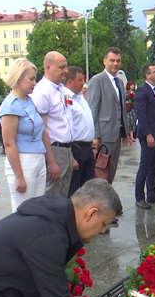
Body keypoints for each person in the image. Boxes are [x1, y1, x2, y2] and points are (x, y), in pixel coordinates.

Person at [0, 58, 47, 212]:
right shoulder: (10, 105)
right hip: (22, 160)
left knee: (37, 207)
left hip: (38, 156)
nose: (35, 83)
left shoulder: (29, 100)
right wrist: (19, 176)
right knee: (23, 210)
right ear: (19, 78)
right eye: (31, 79)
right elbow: (9, 143)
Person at [32, 51, 75, 197]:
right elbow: (41, 128)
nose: (66, 71)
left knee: (63, 194)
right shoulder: (42, 91)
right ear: (48, 67)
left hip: (66, 149)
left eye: (66, 67)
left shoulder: (61, 89)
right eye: (61, 67)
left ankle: (60, 220)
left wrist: (71, 155)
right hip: (54, 149)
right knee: (52, 194)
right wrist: (51, 161)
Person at [87, 47, 132, 183]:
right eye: (112, 60)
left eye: (118, 61)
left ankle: (106, 198)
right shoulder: (97, 80)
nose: (115, 64)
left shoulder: (119, 82)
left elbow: (122, 109)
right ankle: (99, 201)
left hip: (116, 133)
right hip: (104, 134)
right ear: (104, 61)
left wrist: (126, 132)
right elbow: (92, 109)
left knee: (111, 171)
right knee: (101, 171)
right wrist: (95, 135)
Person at [134, 64, 155, 209]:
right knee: (145, 166)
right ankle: (139, 197)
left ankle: (151, 194)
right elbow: (141, 114)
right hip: (148, 134)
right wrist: (148, 134)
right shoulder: (142, 91)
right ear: (147, 75)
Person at [65, 66, 96, 197]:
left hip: (87, 147)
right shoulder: (65, 98)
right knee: (73, 187)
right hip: (76, 147)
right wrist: (71, 156)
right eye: (79, 80)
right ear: (70, 81)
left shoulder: (81, 97)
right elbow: (66, 126)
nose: (83, 83)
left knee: (89, 186)